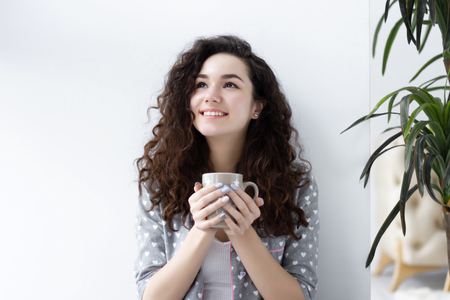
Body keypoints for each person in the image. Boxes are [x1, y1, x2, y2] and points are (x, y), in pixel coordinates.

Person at [134, 35, 319, 300]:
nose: (211, 96)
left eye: (229, 84)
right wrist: (201, 229)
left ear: (257, 106)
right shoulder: (159, 183)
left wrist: (242, 233)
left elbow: (301, 296)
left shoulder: (295, 184)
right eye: (200, 84)